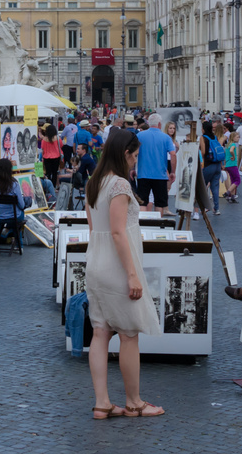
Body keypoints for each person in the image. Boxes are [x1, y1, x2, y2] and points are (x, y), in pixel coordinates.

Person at [83, 129, 163, 419]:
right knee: (129, 334)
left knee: (100, 333)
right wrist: (132, 274)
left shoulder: (95, 182)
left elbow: (95, 230)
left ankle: (102, 402)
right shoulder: (119, 185)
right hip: (115, 267)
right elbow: (118, 233)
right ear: (125, 154)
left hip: (96, 263)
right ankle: (134, 402)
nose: (136, 161)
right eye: (135, 155)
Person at [134, 114, 175, 215]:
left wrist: (132, 169)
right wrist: (172, 172)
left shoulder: (140, 135)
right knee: (159, 203)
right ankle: (158, 225)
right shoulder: (166, 138)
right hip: (160, 175)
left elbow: (133, 153)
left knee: (142, 202)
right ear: (160, 124)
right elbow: (173, 155)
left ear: (148, 123)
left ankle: (142, 224)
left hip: (143, 174)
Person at [200, 121, 226, 215]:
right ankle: (217, 208)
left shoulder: (203, 137)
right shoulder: (215, 137)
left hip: (208, 164)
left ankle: (203, 207)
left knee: (203, 186)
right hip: (217, 164)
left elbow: (203, 152)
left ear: (203, 128)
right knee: (215, 187)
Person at [40, 124, 63, 189]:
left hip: (46, 158)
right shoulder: (58, 138)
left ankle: (48, 186)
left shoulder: (44, 139)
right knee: (55, 173)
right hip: (56, 157)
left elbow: (42, 148)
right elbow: (61, 146)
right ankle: (53, 186)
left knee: (48, 173)